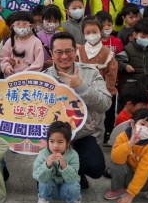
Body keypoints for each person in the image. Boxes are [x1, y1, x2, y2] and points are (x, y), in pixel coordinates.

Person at [44, 32, 112, 188]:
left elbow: (105, 104)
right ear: (51, 53)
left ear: (75, 51)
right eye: (59, 52)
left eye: (68, 51)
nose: (64, 56)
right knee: (44, 182)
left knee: (96, 167)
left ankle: (75, 173)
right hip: (53, 139)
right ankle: (62, 174)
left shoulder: (90, 72)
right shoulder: (43, 78)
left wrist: (80, 87)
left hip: (82, 135)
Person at [105, 108, 148, 203]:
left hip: (145, 182)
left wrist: (130, 196)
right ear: (132, 124)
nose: (145, 129)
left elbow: (142, 171)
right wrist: (130, 144)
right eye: (142, 124)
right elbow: (115, 158)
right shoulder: (123, 136)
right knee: (115, 164)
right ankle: (118, 189)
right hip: (127, 178)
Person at [32, 121, 83, 203]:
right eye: (52, 141)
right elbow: (36, 175)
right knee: (44, 182)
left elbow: (72, 178)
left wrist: (64, 165)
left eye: (60, 142)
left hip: (66, 189)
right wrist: (47, 165)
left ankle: (74, 201)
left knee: (73, 184)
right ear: (47, 141)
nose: (55, 145)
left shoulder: (73, 155)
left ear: (68, 143)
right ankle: (43, 199)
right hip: (51, 189)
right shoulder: (44, 154)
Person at [77, 17, 118, 98]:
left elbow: (111, 77)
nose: (91, 35)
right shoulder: (79, 52)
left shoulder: (107, 53)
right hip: (80, 94)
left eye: (95, 32)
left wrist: (106, 95)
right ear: (83, 34)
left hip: (100, 95)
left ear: (100, 32)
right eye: (88, 33)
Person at [117, 18, 148, 89]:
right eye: (143, 37)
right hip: (132, 86)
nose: (146, 39)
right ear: (135, 35)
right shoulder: (128, 49)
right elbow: (117, 61)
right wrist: (125, 66)